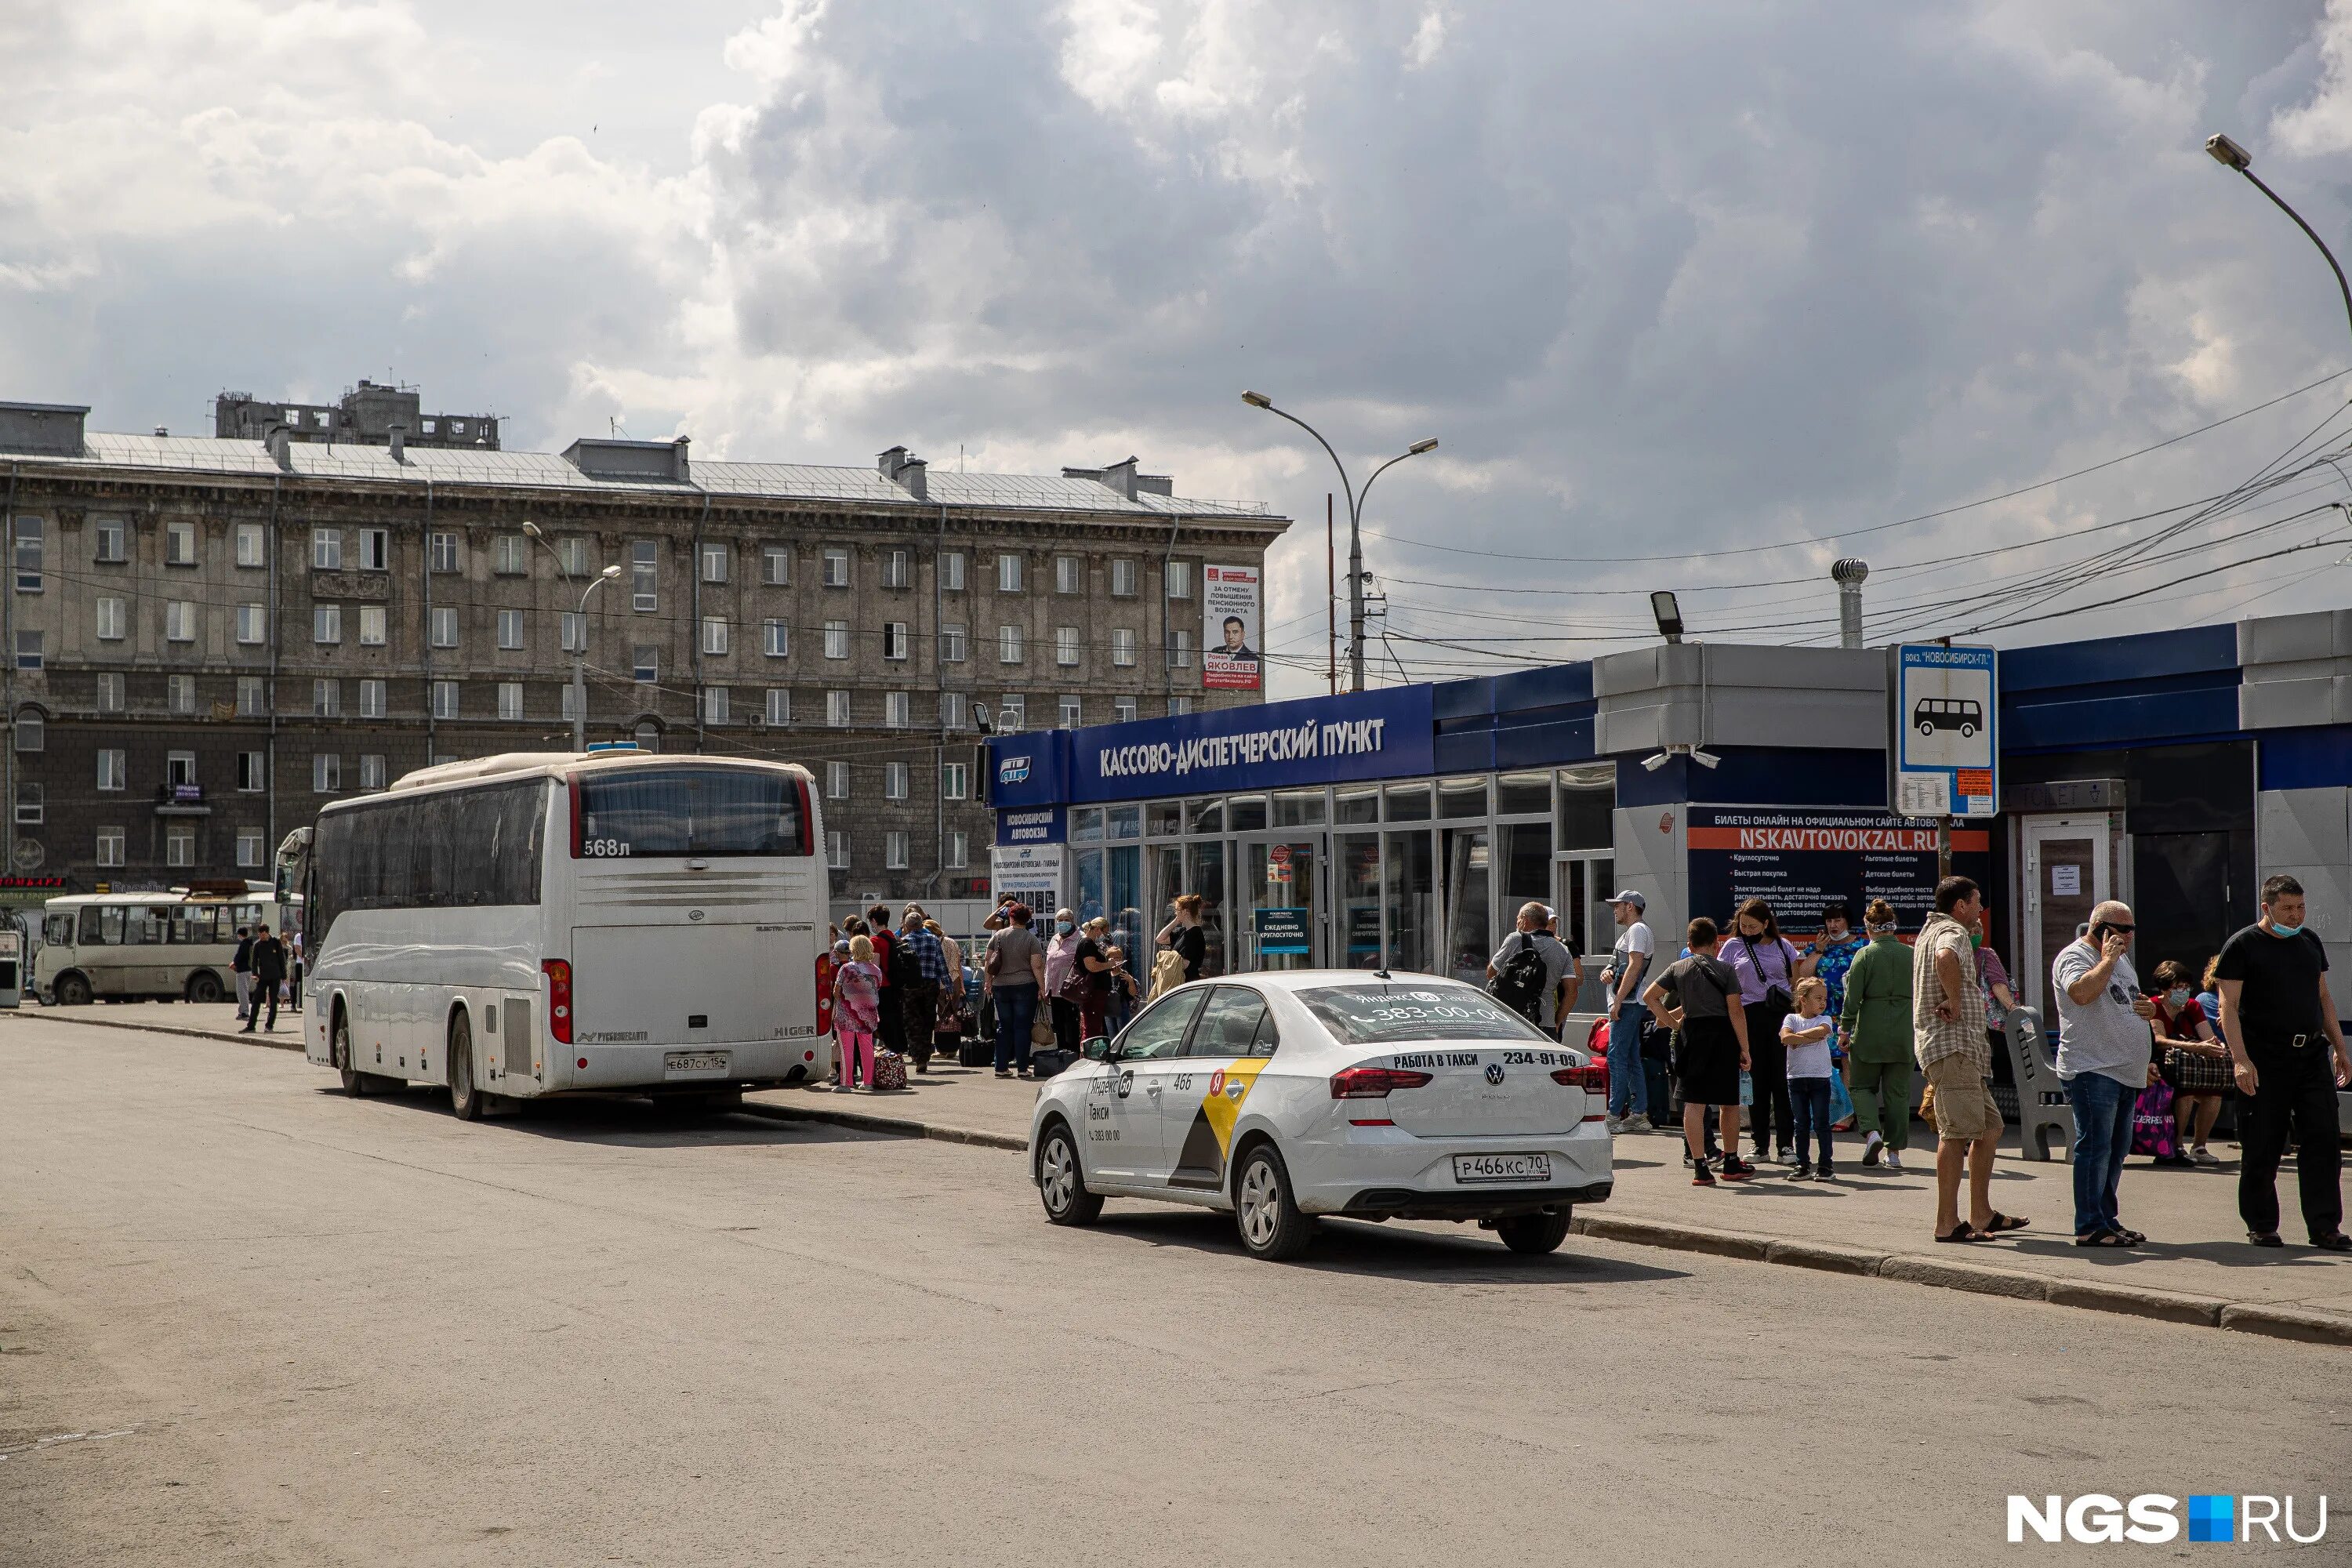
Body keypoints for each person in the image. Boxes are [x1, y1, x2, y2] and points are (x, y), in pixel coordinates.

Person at [2213, 874, 2351, 1250]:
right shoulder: (2243, 945)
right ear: (2267, 908)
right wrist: (2240, 1060)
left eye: (2300, 907)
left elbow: (2323, 997)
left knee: (2324, 1141)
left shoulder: (2309, 941)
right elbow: (2228, 1007)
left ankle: (2325, 1227)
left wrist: (2339, 1048)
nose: (2295, 916)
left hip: (2311, 1057)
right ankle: (2262, 1224)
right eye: (2287, 909)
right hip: (2265, 1060)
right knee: (2263, 1144)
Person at [1915, 877, 2026, 1244]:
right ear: (1960, 905)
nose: (1980, 909)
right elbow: (1945, 956)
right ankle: (1947, 1223)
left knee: (1991, 1127)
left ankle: (1982, 1213)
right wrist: (1956, 999)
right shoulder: (1952, 931)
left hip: (1962, 1051)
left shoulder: (1930, 929)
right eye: (1977, 902)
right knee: (1956, 1133)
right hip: (1953, 1048)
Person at [2053, 900, 2159, 1247]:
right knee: (2095, 1146)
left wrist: (2147, 1008)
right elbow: (2081, 993)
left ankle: (2106, 1219)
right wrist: (2108, 960)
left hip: (2125, 1070)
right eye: (2123, 930)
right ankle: (2088, 1226)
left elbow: (2126, 1001)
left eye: (2132, 930)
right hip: (2093, 1068)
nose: (2129, 937)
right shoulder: (2075, 957)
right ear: (2101, 928)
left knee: (2116, 1149)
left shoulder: (2122, 960)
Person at [1644, 918, 1755, 1185]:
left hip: (1691, 1035)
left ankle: (1700, 1167)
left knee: (1693, 1104)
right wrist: (1745, 1049)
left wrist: (1673, 1024)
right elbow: (1736, 1011)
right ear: (1716, 944)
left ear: (1690, 944)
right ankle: (1730, 1162)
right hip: (1722, 1037)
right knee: (1728, 1103)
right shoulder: (1726, 970)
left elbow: (1650, 997)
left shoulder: (1678, 968)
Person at [1723, 898, 1802, 1163]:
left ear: (1766, 923)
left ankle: (1785, 1145)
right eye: (1742, 925)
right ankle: (1759, 1144)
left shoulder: (1784, 945)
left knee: (1781, 1081)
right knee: (1755, 1081)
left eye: (1752, 926)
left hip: (1779, 1016)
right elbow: (1723, 980)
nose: (1746, 930)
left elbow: (1796, 981)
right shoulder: (1733, 946)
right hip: (1748, 1016)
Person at [1838, 900, 1915, 1172]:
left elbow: (1853, 998)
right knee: (1898, 1094)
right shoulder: (1911, 954)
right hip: (1904, 1034)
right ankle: (1894, 1154)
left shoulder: (1865, 955)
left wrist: (1844, 1029)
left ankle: (1872, 1133)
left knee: (1861, 1087)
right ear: (1894, 926)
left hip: (1869, 1032)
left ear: (1869, 928)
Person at [2151, 958, 2231, 1166]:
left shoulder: (2193, 1006)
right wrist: (2194, 1047)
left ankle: (2199, 1146)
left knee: (2214, 1093)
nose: (2184, 992)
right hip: (2162, 1065)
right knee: (2185, 1092)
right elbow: (2159, 1040)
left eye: (2187, 987)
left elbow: (2207, 1037)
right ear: (2166, 989)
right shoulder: (2154, 1006)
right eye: (2178, 987)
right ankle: (2177, 1145)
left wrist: (2216, 1046)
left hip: (2187, 1067)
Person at [1599, 891, 1655, 1133]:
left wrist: (1619, 1000)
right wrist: (1606, 973)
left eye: (1618, 905)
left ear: (1630, 907)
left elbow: (1634, 965)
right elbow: (1620, 967)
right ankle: (1639, 1114)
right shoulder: (1631, 933)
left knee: (1616, 1057)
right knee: (1630, 1058)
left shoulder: (1638, 931)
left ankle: (1613, 1116)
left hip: (1629, 1004)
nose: (1614, 910)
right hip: (1629, 1003)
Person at [1486, 901, 1577, 1036]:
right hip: (1545, 1022)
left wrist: (1519, 934)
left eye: (1518, 919)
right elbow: (1572, 992)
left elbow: (1491, 973)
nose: (1517, 922)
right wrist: (1557, 1021)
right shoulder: (1563, 950)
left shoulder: (1515, 939)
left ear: (1524, 920)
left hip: (1512, 1019)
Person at [1780, 976, 1838, 1180]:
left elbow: (1823, 1032)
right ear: (1803, 1000)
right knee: (1801, 1123)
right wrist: (1808, 1038)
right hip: (1796, 1077)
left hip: (1820, 1077)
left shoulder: (1824, 1019)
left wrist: (1798, 1039)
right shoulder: (1791, 1018)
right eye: (1818, 998)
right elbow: (1785, 1037)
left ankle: (1826, 1166)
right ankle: (1802, 1164)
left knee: (1822, 1123)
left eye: (1824, 998)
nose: (1823, 1003)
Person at [983, 903, 1047, 1079]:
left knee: (1004, 1026)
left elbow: (988, 962)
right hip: (1025, 986)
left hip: (1001, 987)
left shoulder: (998, 936)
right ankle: (1022, 1068)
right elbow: (1037, 966)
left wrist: (988, 983)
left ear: (1010, 918)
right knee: (1022, 1027)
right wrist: (1042, 988)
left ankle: (1001, 1066)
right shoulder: (1031, 939)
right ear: (1027, 920)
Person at [895, 906, 949, 1074]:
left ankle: (917, 1055)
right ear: (921, 924)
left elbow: (900, 969)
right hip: (930, 985)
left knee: (912, 1021)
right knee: (928, 1020)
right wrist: (949, 986)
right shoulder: (933, 940)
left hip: (911, 987)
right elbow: (941, 964)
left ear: (908, 926)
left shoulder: (904, 942)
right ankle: (924, 1057)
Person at [832, 935, 882, 1092]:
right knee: (867, 1047)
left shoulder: (846, 968)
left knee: (847, 1049)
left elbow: (836, 991)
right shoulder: (876, 970)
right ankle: (867, 1082)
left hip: (846, 1014)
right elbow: (877, 987)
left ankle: (846, 1083)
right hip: (867, 1015)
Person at [865, 905, 902, 1055]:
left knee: (884, 1023)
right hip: (896, 985)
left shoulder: (875, 941)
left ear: (874, 921)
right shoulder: (895, 937)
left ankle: (889, 1053)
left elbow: (875, 968)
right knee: (894, 1021)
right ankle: (896, 1053)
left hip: (883, 987)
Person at [1045, 909, 1083, 1052]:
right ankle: (1062, 1053)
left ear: (1072, 921)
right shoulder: (1055, 939)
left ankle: (1073, 1054)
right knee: (1059, 1025)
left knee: (1071, 1024)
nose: (1062, 923)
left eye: (1066, 920)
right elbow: (1049, 964)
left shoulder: (1080, 938)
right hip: (1054, 990)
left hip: (1071, 990)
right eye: (1060, 920)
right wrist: (1046, 988)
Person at [1073, 916, 1116, 1041]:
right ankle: (1088, 1057)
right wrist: (1108, 964)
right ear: (1097, 929)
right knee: (1092, 1028)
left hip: (1097, 992)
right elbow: (1091, 966)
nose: (1105, 935)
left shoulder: (1090, 943)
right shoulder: (1087, 943)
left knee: (1095, 1026)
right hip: (1093, 992)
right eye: (1104, 932)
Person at [241, 924, 285, 1033]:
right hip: (263, 977)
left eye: (263, 934)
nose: (261, 936)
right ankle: (251, 1026)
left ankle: (269, 1026)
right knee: (256, 1001)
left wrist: (284, 975)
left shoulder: (275, 942)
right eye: (259, 934)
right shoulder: (257, 945)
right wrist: (255, 974)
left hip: (275, 976)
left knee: (273, 1001)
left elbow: (281, 959)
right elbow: (254, 961)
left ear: (267, 933)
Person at [1155, 895, 1209, 983]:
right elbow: (1160, 939)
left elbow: (1185, 964)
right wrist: (1176, 921)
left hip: (1187, 982)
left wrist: (1166, 960)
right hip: (1178, 982)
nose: (1175, 913)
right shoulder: (1183, 931)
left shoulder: (1195, 933)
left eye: (1177, 910)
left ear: (1184, 912)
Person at [1104, 944, 1142, 1035]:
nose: (1117, 960)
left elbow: (1132, 994)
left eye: (1119, 957)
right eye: (1114, 958)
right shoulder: (1105, 974)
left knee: (1122, 1034)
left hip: (1121, 1008)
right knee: (1112, 1035)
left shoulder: (1125, 975)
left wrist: (1130, 981)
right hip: (1108, 1009)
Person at [230, 926, 254, 1021]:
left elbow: (240, 957)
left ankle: (245, 1012)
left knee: (242, 992)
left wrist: (234, 963)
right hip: (248, 970)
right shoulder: (249, 943)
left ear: (240, 935)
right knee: (244, 991)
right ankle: (242, 1011)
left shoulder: (244, 944)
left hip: (243, 971)